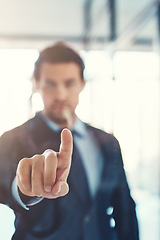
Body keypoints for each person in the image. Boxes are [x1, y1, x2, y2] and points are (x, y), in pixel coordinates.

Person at [0, 42, 139, 240]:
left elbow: (124, 207)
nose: (60, 95)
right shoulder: (12, 139)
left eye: (69, 83)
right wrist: (24, 187)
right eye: (50, 84)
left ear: (82, 84)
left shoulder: (107, 142)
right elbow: (5, 186)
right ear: (36, 84)